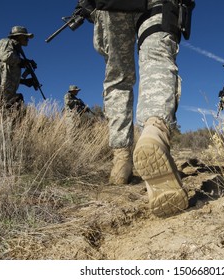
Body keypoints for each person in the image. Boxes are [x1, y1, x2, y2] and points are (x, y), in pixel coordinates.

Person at [72, 0, 194, 217]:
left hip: (110, 6)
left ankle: (121, 163)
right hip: (157, 4)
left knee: (118, 80)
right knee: (157, 58)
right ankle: (154, 132)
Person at [0, 26, 36, 114]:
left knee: (11, 111)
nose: (28, 39)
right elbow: (5, 57)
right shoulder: (5, 42)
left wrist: (24, 81)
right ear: (19, 36)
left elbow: (9, 75)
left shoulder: (16, 51)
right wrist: (23, 62)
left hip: (6, 90)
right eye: (26, 37)